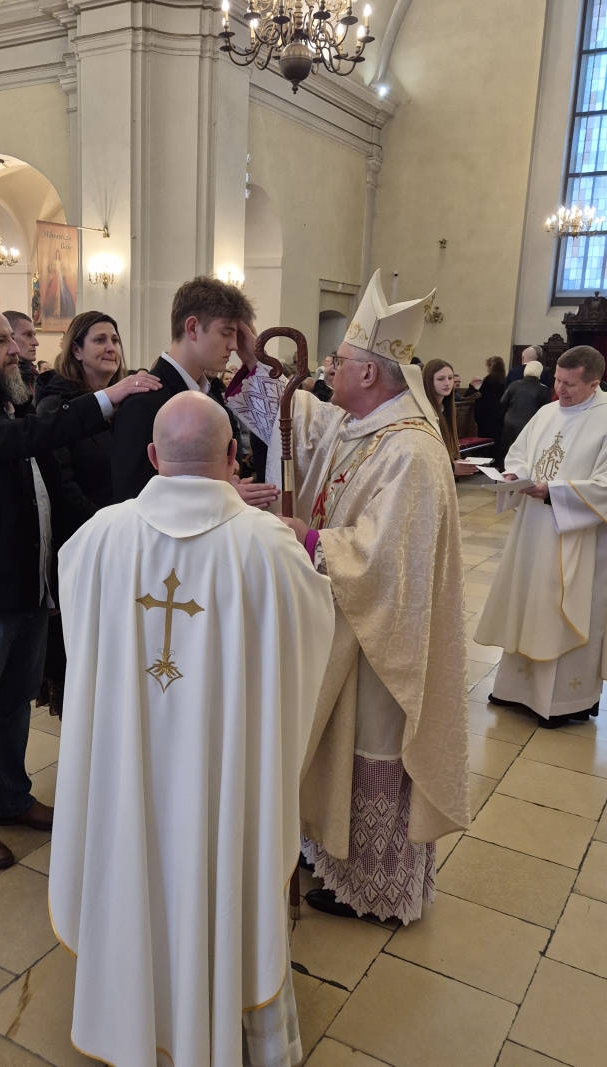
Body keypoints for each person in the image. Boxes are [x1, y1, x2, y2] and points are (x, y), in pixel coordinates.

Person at [49, 391, 334, 1067]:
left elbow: (82, 646)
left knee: (131, 865)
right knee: (225, 870)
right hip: (223, 776)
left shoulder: (98, 538)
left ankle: (129, 1019)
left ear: (153, 456)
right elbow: (308, 642)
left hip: (129, 770)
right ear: (234, 456)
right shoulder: (268, 547)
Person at [226, 268, 469, 924]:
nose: (329, 369)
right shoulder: (359, 424)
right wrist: (254, 363)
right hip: (343, 621)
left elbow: (391, 557)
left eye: (339, 361)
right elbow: (294, 420)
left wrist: (309, 539)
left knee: (371, 737)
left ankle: (374, 888)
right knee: (335, 738)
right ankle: (334, 853)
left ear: (368, 373)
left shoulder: (410, 450)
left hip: (381, 633)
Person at [0, 305, 161, 870]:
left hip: (26, 578)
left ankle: (11, 797)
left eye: (15, 338)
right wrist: (109, 397)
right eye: (1, 341)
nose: (17, 349)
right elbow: (20, 440)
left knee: (13, 702)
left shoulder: (7, 395)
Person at [475, 346, 607, 727]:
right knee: (526, 601)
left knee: (559, 609)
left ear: (593, 384)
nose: (560, 390)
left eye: (570, 384)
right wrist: (515, 475)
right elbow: (520, 454)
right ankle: (515, 689)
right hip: (533, 530)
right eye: (557, 381)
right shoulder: (547, 412)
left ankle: (563, 702)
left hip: (577, 537)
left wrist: (553, 491)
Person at [111, 275, 280, 510]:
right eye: (226, 333)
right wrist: (224, 498)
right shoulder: (144, 402)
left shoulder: (210, 396)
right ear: (192, 328)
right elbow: (132, 500)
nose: (234, 345)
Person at [34, 310, 128, 715]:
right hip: (82, 543)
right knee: (83, 657)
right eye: (99, 340)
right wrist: (109, 529)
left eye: (115, 340)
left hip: (121, 540)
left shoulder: (126, 404)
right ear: (76, 350)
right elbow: (62, 486)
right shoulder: (56, 406)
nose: (111, 348)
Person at [423, 359, 477, 477]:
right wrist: (451, 467)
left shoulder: (445, 407)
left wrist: (454, 461)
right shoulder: (423, 412)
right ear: (428, 381)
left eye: (450, 378)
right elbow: (425, 453)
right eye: (440, 379)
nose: (447, 383)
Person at [500, 360, 551, 459]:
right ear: (540, 372)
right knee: (525, 452)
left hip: (510, 422)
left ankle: (504, 467)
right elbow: (546, 410)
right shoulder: (543, 389)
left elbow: (502, 402)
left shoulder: (514, 385)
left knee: (508, 450)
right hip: (530, 423)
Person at [469, 355, 506, 450]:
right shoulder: (504, 379)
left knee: (486, 439)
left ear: (491, 366)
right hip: (499, 412)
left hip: (487, 413)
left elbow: (483, 396)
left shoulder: (489, 379)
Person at [4, 310, 40, 396]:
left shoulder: (34, 376)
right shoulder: (2, 383)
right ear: (9, 336)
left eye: (34, 335)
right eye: (28, 335)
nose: (36, 343)